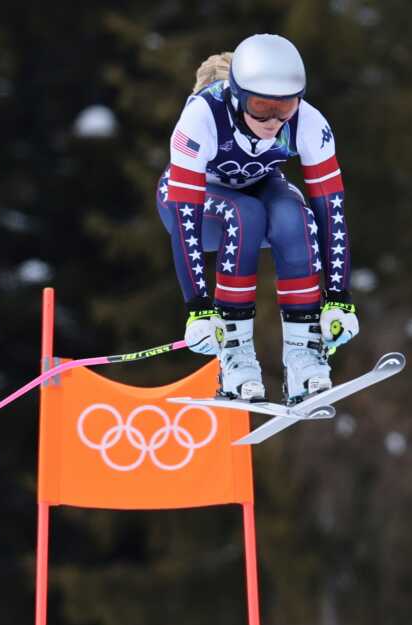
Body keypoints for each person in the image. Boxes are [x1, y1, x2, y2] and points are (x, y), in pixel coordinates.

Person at [156, 33, 359, 404]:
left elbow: (331, 211)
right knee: (244, 213)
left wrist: (339, 298)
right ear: (235, 97)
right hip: (198, 209)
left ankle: (303, 356)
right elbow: (187, 214)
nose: (273, 120)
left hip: (260, 189)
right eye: (261, 107)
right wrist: (198, 308)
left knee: (292, 216)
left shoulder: (308, 122)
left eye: (285, 108)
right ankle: (235, 356)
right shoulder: (201, 117)